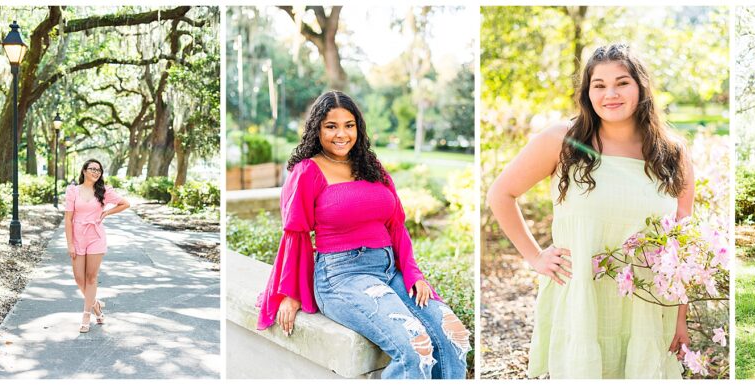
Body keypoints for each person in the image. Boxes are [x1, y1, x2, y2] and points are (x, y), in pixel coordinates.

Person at [487, 43, 695, 379]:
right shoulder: (562, 140)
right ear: (587, 93)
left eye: (622, 82)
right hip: (583, 298)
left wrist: (680, 318)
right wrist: (536, 257)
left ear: (641, 88)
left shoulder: (672, 151)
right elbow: (501, 194)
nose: (610, 93)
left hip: (649, 302)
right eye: (599, 85)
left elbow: (684, 243)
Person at [255, 91, 471, 379]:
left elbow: (395, 225)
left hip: (389, 270)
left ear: (358, 127)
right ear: (317, 128)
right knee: (414, 346)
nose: (341, 134)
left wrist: (413, 274)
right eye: (331, 126)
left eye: (349, 125)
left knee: (454, 336)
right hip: (342, 277)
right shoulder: (307, 171)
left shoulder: (370, 166)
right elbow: (296, 236)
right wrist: (291, 294)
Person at [64, 159, 131, 333]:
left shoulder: (104, 191)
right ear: (84, 171)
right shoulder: (73, 191)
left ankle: (86, 315)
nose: (96, 172)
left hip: (96, 237)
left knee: (91, 277)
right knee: (79, 279)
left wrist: (107, 211)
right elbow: (68, 219)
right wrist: (70, 243)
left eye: (99, 170)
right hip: (78, 238)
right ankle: (96, 305)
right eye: (92, 169)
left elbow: (125, 203)